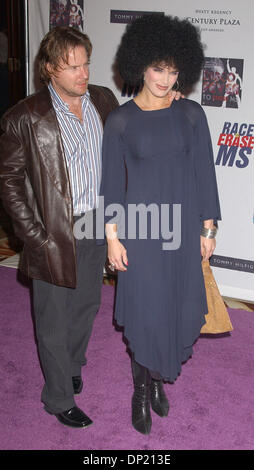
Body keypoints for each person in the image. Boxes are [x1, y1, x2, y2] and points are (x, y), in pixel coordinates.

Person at [100, 14, 221, 435]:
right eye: (157, 68)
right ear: (140, 65)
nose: (165, 79)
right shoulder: (121, 120)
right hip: (141, 234)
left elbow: (205, 173)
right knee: (146, 314)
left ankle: (156, 381)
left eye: (173, 70)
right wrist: (112, 239)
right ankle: (140, 388)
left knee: (172, 309)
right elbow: (111, 186)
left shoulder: (191, 115)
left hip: (183, 232)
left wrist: (208, 229)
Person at [0, 26, 118, 428]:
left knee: (86, 305)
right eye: (72, 67)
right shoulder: (25, 117)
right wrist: (34, 237)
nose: (83, 74)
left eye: (86, 63)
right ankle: (57, 398)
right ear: (50, 68)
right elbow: (10, 182)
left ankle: (71, 366)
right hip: (52, 230)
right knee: (52, 317)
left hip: (95, 224)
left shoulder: (103, 99)